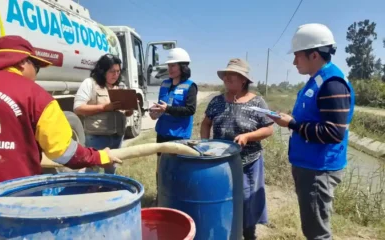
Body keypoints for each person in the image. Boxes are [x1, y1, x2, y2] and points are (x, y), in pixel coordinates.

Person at [0, 35, 120, 187]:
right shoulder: (36, 97)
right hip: (14, 196)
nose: (36, 75)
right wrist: (99, 157)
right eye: (36, 68)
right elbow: (63, 150)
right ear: (23, 62)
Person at [269, 23, 355, 240]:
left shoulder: (331, 84)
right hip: (309, 165)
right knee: (312, 228)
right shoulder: (316, 81)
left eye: (297, 56)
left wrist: (292, 125)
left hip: (319, 169)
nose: (294, 61)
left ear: (314, 55)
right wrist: (290, 119)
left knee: (317, 233)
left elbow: (334, 132)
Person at [200, 58, 274, 240]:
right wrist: (205, 144)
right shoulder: (217, 101)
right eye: (226, 76)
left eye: (232, 76)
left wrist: (248, 136)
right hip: (220, 161)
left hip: (248, 161)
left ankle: (248, 235)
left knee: (247, 201)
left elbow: (269, 128)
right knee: (221, 198)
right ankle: (224, 232)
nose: (227, 79)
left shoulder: (257, 102)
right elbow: (206, 123)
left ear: (243, 80)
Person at [149, 47, 198, 200]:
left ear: (182, 67)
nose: (169, 69)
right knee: (161, 168)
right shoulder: (164, 84)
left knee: (177, 169)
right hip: (162, 133)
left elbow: (190, 110)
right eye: (169, 66)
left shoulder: (190, 86)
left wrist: (168, 109)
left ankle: (177, 199)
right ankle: (161, 197)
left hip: (179, 136)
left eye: (173, 65)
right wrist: (154, 112)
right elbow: (161, 106)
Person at [74, 54, 133, 173]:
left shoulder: (120, 86)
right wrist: (104, 107)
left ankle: (109, 190)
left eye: (118, 71)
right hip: (97, 137)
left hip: (117, 136)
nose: (116, 75)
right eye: (112, 71)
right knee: (93, 171)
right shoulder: (90, 83)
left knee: (111, 169)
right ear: (102, 71)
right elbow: (78, 108)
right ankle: (91, 191)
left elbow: (126, 113)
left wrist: (129, 110)